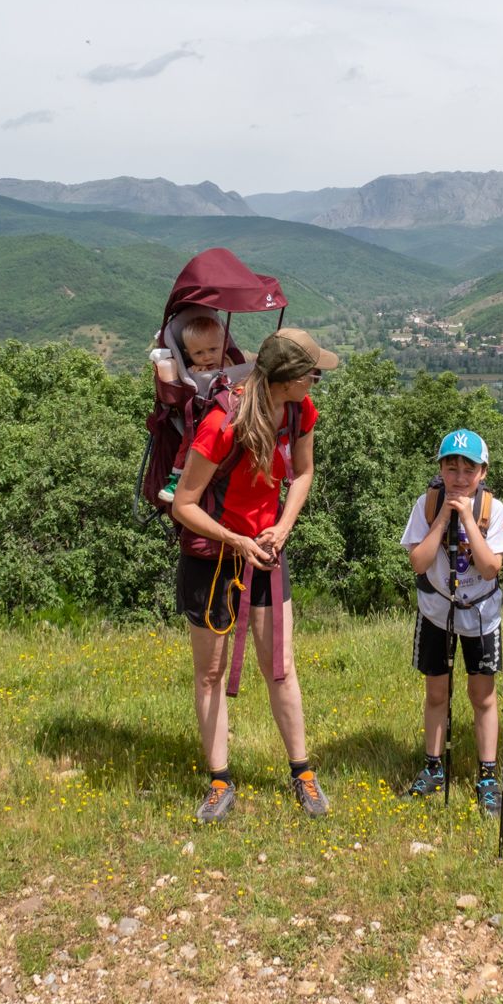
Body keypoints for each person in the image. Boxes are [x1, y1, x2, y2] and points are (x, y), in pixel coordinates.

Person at [169, 327, 340, 822]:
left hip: (265, 553)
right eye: (312, 373)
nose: (317, 379)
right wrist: (237, 540)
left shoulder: (297, 410)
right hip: (213, 559)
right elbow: (184, 504)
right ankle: (220, 782)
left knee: (280, 667)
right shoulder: (221, 424)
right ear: (287, 378)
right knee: (209, 674)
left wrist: (282, 528)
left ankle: (302, 773)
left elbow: (303, 473)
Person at [401, 429, 503, 813]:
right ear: (441, 469)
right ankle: (433, 767)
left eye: (469, 468)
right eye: (452, 467)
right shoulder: (427, 504)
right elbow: (418, 561)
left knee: (482, 696)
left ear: (483, 471)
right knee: (436, 693)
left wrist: (467, 515)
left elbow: (491, 566)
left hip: (480, 614)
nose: (460, 476)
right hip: (437, 611)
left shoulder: (492, 510)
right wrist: (444, 516)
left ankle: (487, 775)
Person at [158, 316, 236, 503]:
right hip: (202, 415)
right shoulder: (195, 368)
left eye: (212, 350)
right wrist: (196, 373)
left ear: (224, 346)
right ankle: (179, 478)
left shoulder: (230, 361)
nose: (207, 357)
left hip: (231, 411)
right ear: (188, 354)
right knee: (190, 442)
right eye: (198, 353)